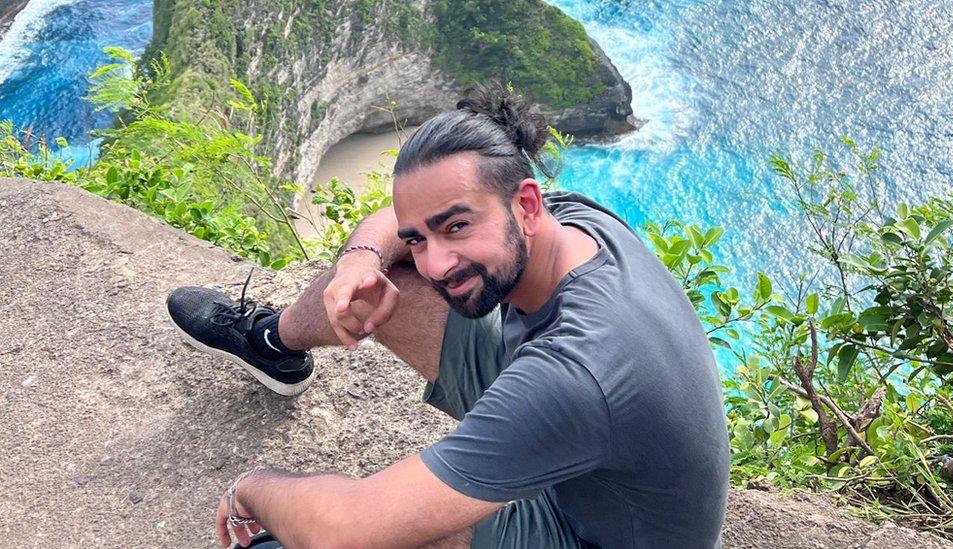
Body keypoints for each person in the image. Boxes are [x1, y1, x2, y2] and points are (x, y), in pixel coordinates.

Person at [166, 84, 730, 548]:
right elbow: (395, 220)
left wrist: (253, 487)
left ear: (526, 206)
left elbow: (348, 529)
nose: (436, 262)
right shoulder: (569, 220)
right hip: (588, 454)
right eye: (422, 237)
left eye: (457, 227)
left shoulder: (575, 371)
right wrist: (357, 262)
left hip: (587, 533)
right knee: (380, 282)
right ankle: (273, 344)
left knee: (370, 531)